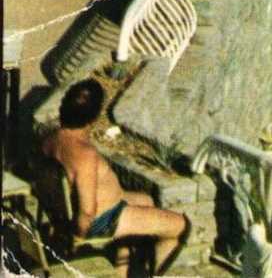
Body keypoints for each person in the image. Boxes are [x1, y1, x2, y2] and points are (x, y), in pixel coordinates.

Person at [40, 80, 190, 274]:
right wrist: (77, 240)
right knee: (181, 226)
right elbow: (87, 211)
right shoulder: (84, 155)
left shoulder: (51, 139)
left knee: (146, 200)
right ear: (94, 116)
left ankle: (121, 272)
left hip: (81, 213)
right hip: (104, 220)